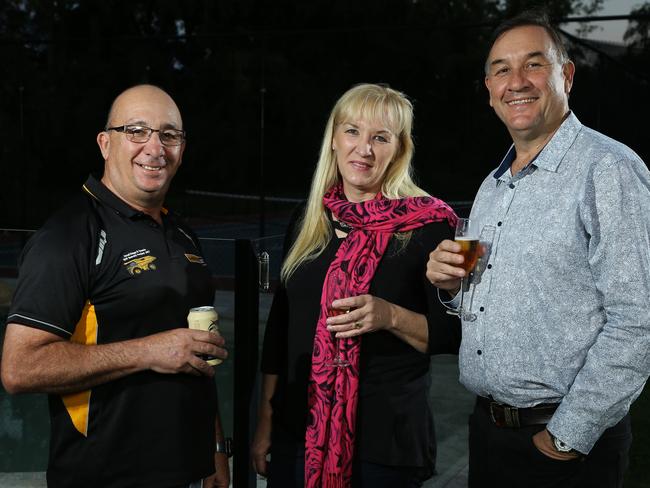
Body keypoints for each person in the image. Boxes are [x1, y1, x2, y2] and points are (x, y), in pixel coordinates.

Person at [426, 10, 650, 488]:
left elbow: (639, 319)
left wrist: (568, 435)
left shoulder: (608, 170)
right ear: (489, 90)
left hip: (563, 449)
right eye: (501, 69)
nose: (516, 82)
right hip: (487, 435)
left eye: (533, 64)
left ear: (565, 75)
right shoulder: (491, 186)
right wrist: (451, 287)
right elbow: (477, 300)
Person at [1, 84, 230, 488]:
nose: (155, 148)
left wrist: (214, 447)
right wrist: (149, 351)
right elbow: (20, 368)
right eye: (137, 131)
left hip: (186, 472)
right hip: (103, 476)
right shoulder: (69, 235)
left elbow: (195, 353)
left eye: (169, 134)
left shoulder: (181, 233)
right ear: (106, 143)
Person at [251, 83, 460, 488]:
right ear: (333, 138)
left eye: (380, 138)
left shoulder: (429, 225)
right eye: (353, 131)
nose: (363, 149)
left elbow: (453, 335)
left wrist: (390, 315)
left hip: (386, 448)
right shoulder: (309, 219)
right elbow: (280, 332)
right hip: (299, 438)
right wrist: (265, 421)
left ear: (399, 149)